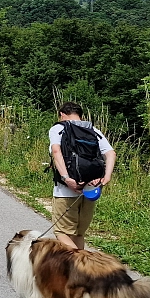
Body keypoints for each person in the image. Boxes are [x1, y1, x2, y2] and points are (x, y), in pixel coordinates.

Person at [49, 102, 116, 250]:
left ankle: (84, 262)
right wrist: (107, 176)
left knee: (62, 232)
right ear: (80, 115)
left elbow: (56, 151)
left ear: (62, 114)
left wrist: (67, 178)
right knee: (78, 234)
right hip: (91, 189)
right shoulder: (93, 130)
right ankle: (78, 271)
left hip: (66, 191)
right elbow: (111, 153)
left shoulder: (58, 128)